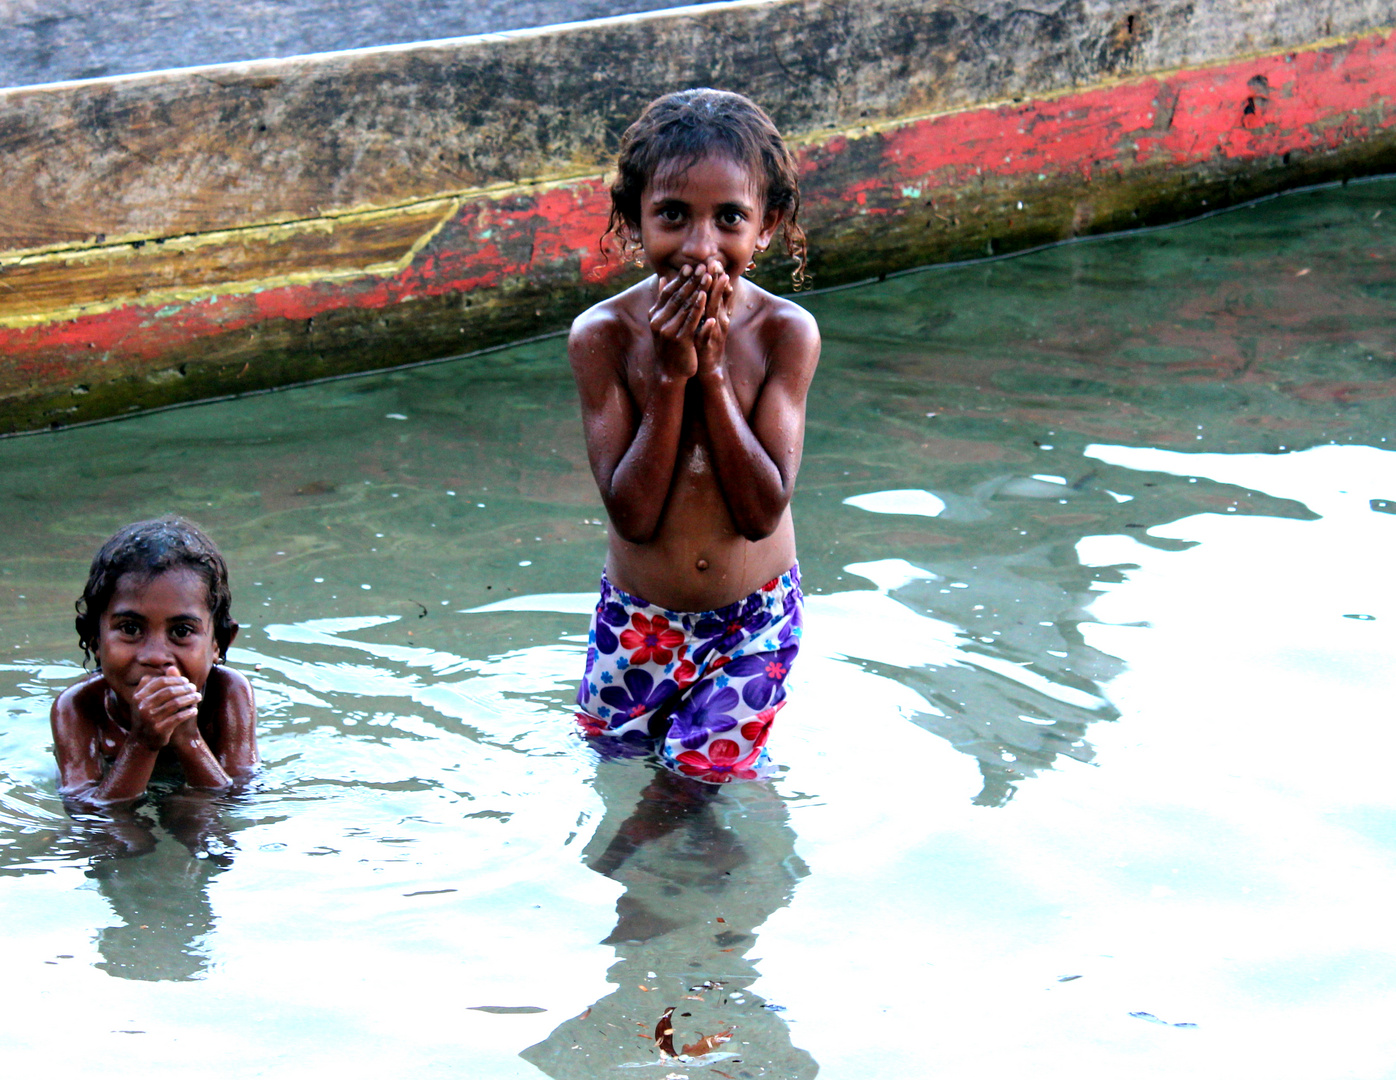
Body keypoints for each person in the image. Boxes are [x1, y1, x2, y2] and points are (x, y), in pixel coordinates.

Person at [569, 88, 820, 782]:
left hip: (753, 622)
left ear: (767, 226)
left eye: (729, 218)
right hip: (637, 618)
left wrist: (708, 375)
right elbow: (634, 514)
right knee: (616, 764)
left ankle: (640, 864)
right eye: (674, 216)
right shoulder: (604, 338)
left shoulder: (784, 334)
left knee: (692, 784)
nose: (701, 247)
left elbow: (761, 510)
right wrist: (671, 378)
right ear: (631, 222)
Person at [51, 517, 257, 805]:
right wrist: (143, 742)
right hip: (117, 797)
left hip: (195, 792)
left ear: (218, 644)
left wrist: (189, 739)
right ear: (96, 640)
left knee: (194, 819)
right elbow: (90, 815)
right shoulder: (79, 708)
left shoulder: (227, 693)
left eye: (181, 631)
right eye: (131, 629)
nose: (155, 656)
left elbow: (237, 799)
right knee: (125, 841)